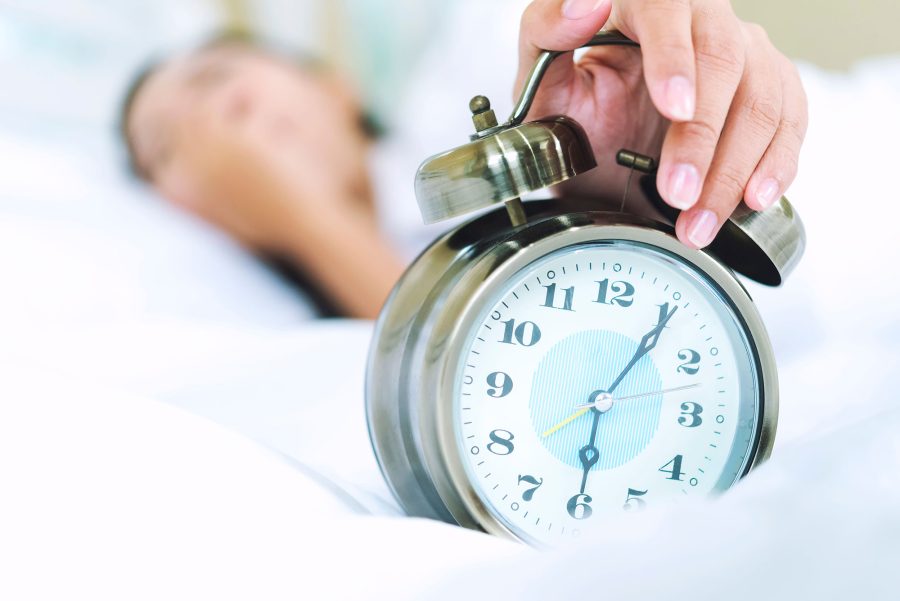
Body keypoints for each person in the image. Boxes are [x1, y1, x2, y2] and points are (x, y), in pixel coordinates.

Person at [120, 0, 806, 318]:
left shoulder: (468, 83)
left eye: (214, 80)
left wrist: (616, 170)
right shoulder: (230, 304)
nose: (210, 126)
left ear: (335, 86)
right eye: (167, 147)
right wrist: (302, 219)